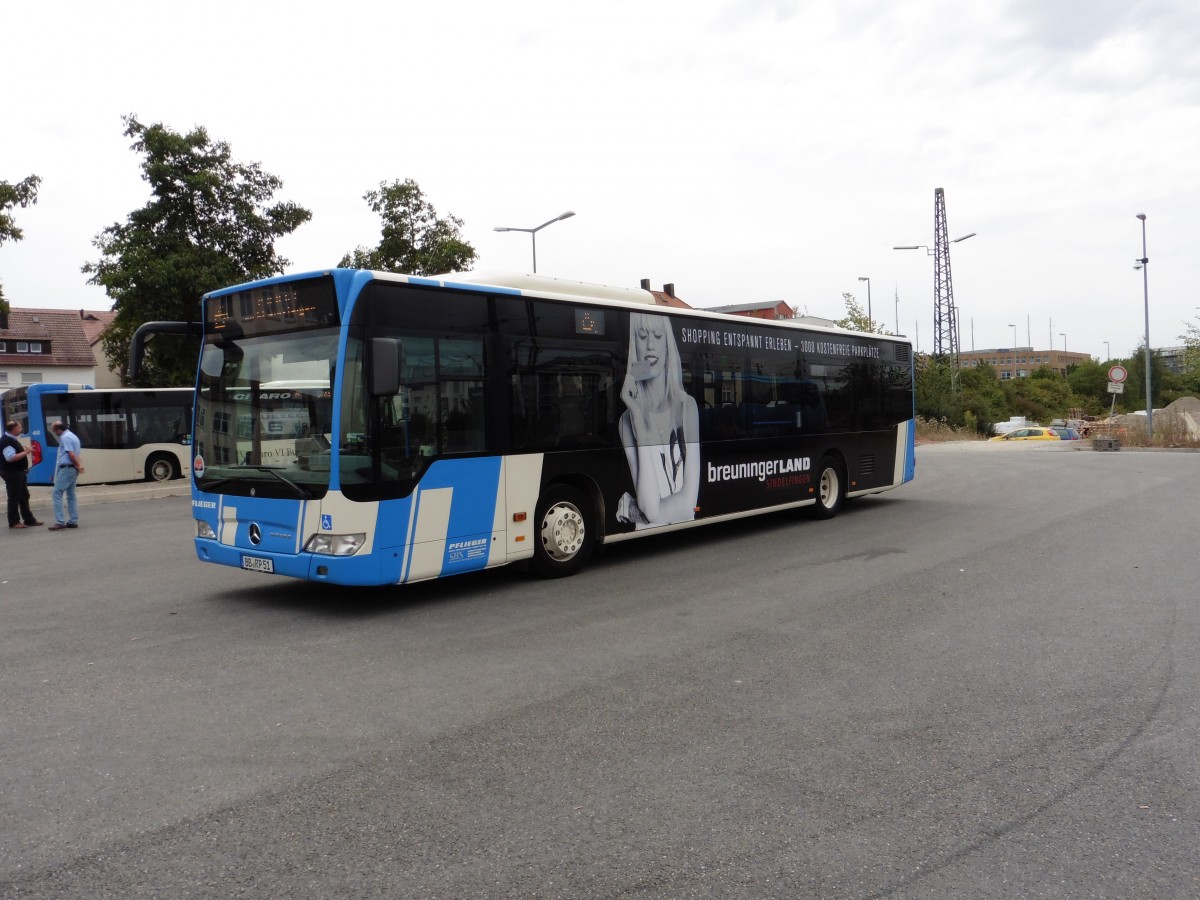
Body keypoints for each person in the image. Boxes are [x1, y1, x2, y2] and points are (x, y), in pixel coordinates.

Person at [617, 311, 700, 528]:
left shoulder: (687, 407)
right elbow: (651, 508)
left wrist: (632, 510)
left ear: (667, 344)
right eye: (642, 335)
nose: (650, 345)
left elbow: (688, 505)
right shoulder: (626, 421)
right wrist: (639, 422)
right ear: (635, 344)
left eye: (657, 335)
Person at [0, 420, 44, 530]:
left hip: (19, 472)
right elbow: (10, 458)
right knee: (14, 497)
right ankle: (14, 521)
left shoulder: (12, 439)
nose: (21, 429)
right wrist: (26, 452)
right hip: (12, 473)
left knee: (24, 496)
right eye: (19, 427)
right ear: (13, 429)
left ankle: (29, 519)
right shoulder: (6, 441)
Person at [48, 421, 84, 531]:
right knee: (71, 495)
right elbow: (76, 454)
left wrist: (78, 465)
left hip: (67, 468)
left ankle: (60, 521)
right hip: (72, 469)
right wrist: (78, 465)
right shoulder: (73, 436)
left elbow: (71, 454)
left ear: (58, 430)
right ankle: (73, 521)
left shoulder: (65, 438)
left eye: (54, 431)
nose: (54, 433)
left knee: (56, 493)